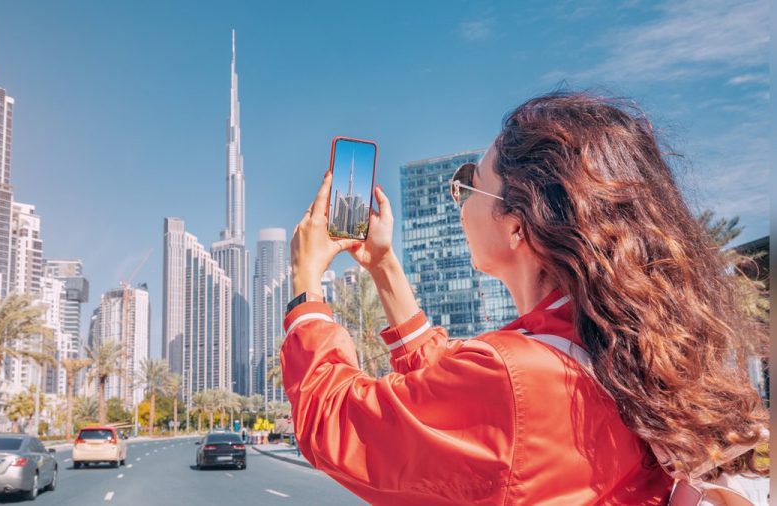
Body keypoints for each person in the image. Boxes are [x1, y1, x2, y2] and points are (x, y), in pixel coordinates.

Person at [280, 90, 768, 505]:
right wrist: (385, 268)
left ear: (517, 225)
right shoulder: (613, 347)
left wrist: (306, 280)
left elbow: (338, 422)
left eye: (472, 183)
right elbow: (453, 389)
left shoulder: (517, 380)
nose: (461, 197)